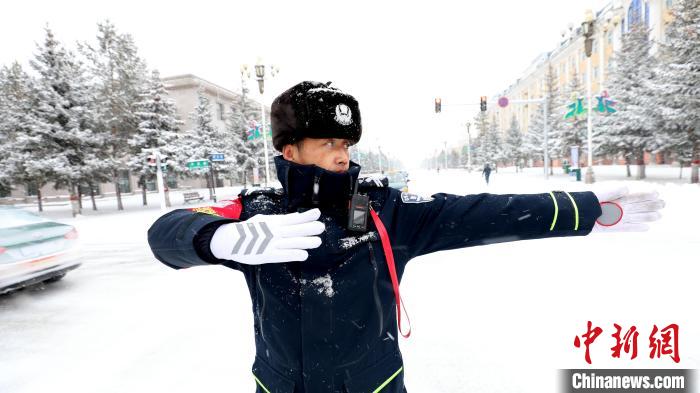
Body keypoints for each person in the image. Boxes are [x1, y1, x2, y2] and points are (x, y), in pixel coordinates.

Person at [147, 81, 664, 393]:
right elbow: (166, 230)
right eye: (326, 141)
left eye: (345, 142)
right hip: (282, 383)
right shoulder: (255, 212)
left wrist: (586, 208)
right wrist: (215, 239)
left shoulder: (379, 210)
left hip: (372, 383)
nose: (341, 154)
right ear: (289, 150)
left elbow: (480, 213)